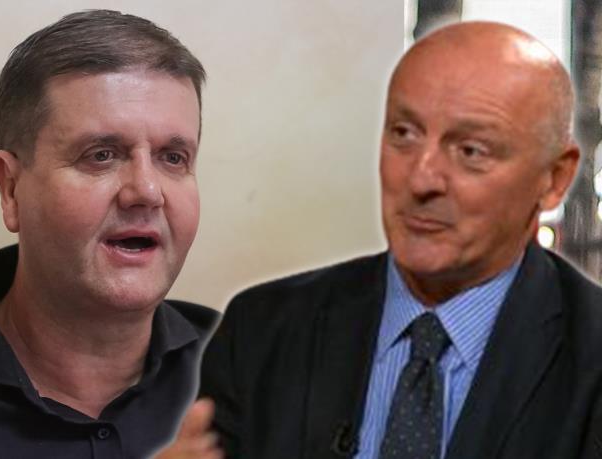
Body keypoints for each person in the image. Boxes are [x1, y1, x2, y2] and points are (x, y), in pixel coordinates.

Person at [200, 21, 602, 459]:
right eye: (403, 134)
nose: (421, 179)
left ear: (555, 178)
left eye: (470, 151)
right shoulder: (261, 332)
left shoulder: (591, 358)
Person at [0, 9, 221, 459]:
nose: (147, 191)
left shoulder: (253, 367)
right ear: (11, 188)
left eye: (173, 158)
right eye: (101, 155)